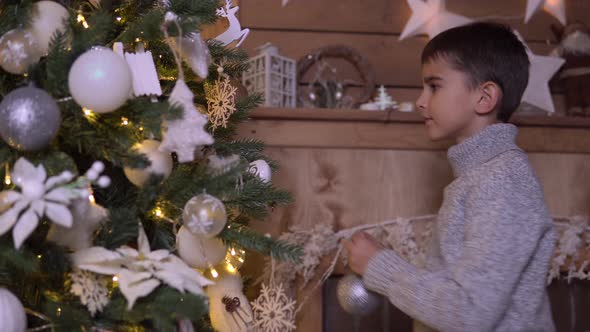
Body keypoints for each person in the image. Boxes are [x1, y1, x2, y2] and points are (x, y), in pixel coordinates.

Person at [343, 22, 556, 332]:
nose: (420, 100)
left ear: (484, 98)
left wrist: (380, 266)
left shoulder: (503, 182)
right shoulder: (479, 177)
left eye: (434, 86)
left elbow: (470, 314)